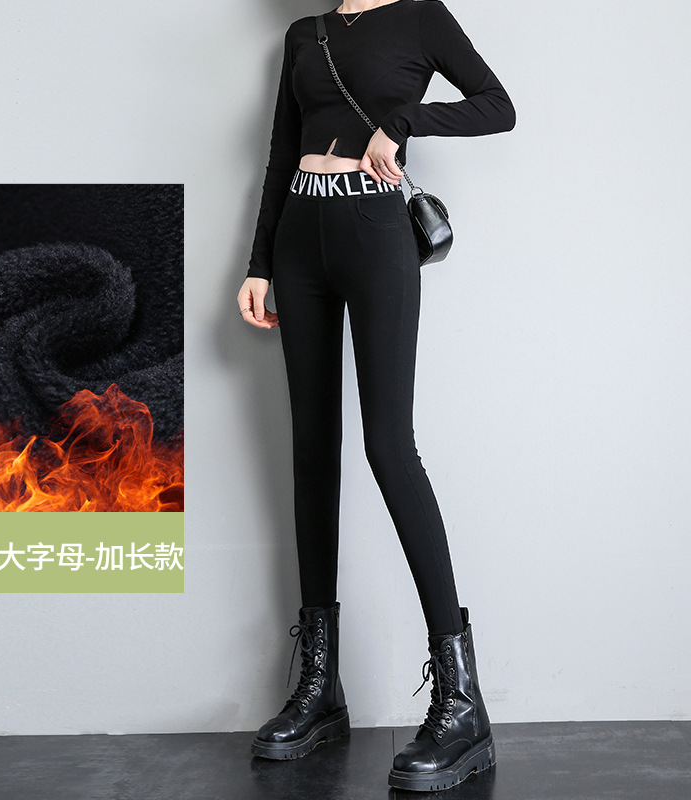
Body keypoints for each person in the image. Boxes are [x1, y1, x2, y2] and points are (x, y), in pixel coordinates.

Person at [236, 0, 515, 791]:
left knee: (389, 447)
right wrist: (258, 264)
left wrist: (404, 119)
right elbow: (280, 152)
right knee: (310, 449)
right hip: (299, 240)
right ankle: (320, 688)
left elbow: (498, 106)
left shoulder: (421, 18)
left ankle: (460, 701)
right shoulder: (304, 34)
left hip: (374, 234)